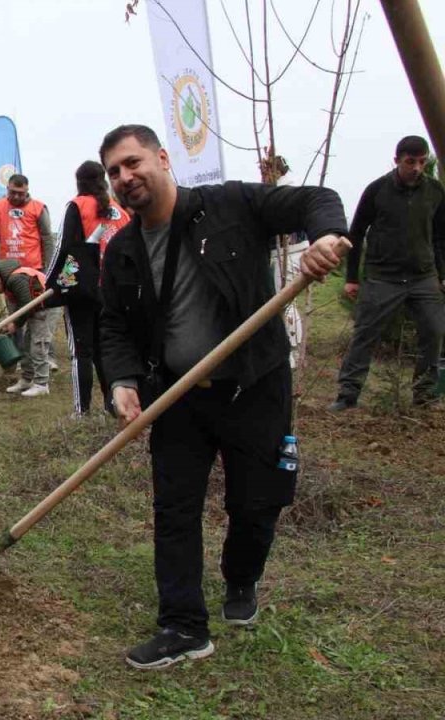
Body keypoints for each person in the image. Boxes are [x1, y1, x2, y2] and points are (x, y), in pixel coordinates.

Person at [97, 124, 348, 670]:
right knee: (174, 509)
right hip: (178, 399)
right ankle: (184, 626)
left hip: (253, 387)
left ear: (163, 158)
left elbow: (316, 200)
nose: (125, 177)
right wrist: (121, 382)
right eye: (114, 171)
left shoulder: (231, 204)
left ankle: (242, 577)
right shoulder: (123, 251)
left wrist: (326, 237)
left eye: (133, 162)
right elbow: (113, 325)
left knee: (257, 502)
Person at [331, 134, 445, 409]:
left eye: (421, 162)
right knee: (365, 334)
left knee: (434, 332)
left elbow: (440, 236)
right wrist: (351, 279)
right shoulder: (377, 190)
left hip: (423, 276)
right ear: (397, 161)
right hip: (382, 277)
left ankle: (424, 394)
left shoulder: (435, 191)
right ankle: (347, 394)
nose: (416, 168)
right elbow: (356, 233)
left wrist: (442, 274)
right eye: (410, 162)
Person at [47, 161, 132, 416]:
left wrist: (49, 283)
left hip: (83, 291)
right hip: (114, 292)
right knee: (106, 350)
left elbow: (63, 249)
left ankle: (81, 411)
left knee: (81, 352)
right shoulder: (119, 210)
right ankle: (112, 405)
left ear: (79, 182)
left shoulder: (77, 206)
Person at [0, 174, 59, 394]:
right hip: (6, 277)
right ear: (7, 189)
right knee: (19, 326)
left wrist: (48, 271)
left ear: (27, 190)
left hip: (33, 275)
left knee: (37, 325)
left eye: (21, 193)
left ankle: (44, 369)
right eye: (13, 192)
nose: (17, 196)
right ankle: (25, 372)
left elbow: (48, 239)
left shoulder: (38, 208)